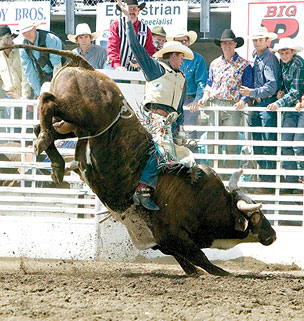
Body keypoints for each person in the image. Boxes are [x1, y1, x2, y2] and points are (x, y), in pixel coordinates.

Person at [116, 0, 249, 232]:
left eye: (181, 56)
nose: (181, 59)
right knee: (164, 150)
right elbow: (137, 48)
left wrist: (178, 128)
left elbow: (177, 107)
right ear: (171, 56)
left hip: (168, 120)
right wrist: (129, 21)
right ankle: (143, 189)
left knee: (179, 154)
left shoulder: (181, 78)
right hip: (155, 117)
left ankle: (164, 195)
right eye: (179, 56)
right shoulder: (156, 68)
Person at [197, 29, 253, 174]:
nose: (227, 46)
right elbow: (209, 82)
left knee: (231, 144)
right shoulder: (215, 64)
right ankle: (214, 176)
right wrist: (205, 96)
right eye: (224, 43)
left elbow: (248, 85)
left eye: (229, 43)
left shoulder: (244, 65)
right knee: (212, 143)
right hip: (215, 104)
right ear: (221, 45)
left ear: (235, 44)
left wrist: (243, 100)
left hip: (232, 106)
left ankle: (229, 177)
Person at [239, 27, 281, 191]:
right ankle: (265, 179)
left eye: (260, 40)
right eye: (255, 40)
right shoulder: (259, 57)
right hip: (259, 103)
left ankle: (267, 182)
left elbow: (272, 86)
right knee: (259, 142)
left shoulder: (268, 58)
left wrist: (252, 93)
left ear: (267, 41)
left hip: (265, 103)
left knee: (267, 142)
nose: (257, 42)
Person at [267, 38, 304, 193]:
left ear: (292, 52)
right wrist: (282, 91)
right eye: (282, 52)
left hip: (300, 106)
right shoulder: (283, 64)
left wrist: (279, 102)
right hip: (292, 106)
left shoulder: (298, 63)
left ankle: (300, 179)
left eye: (286, 52)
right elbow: (288, 86)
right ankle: (291, 181)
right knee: (286, 143)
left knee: (298, 144)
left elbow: (296, 90)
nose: (284, 55)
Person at [167, 28, 207, 130]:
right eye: (178, 41)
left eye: (184, 41)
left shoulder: (198, 59)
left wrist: (197, 100)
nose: (182, 44)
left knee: (189, 133)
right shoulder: (168, 58)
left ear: (188, 42)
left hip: (189, 101)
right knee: (170, 131)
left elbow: (201, 83)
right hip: (170, 101)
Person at [18, 20, 65, 98]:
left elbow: (57, 65)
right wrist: (40, 93)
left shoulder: (50, 38)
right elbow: (30, 73)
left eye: (29, 30)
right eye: (24, 32)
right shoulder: (23, 48)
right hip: (46, 76)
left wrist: (55, 90)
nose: (27, 34)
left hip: (63, 72)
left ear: (34, 28)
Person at [107, 0, 155, 71]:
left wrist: (142, 62)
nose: (131, 12)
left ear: (138, 10)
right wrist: (117, 65)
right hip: (116, 69)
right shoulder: (116, 25)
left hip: (137, 70)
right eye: (129, 9)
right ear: (123, 10)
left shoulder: (145, 29)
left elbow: (150, 51)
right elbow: (112, 47)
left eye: (134, 9)